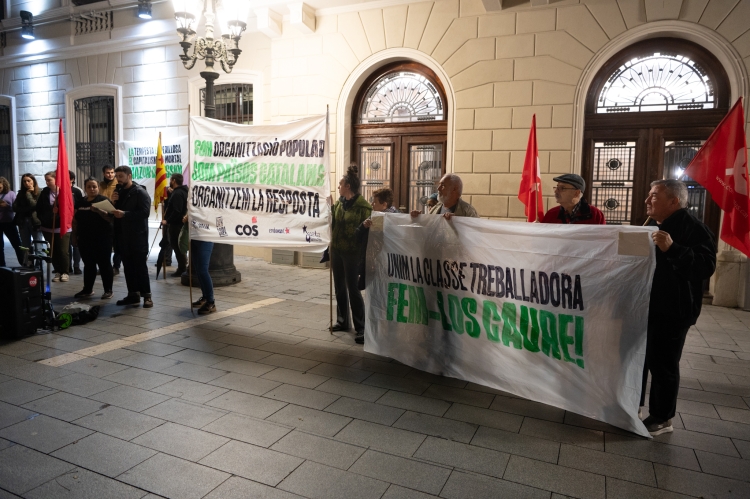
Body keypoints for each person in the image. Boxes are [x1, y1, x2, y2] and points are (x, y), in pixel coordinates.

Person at [640, 179, 716, 436]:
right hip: (644, 306)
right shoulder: (650, 225)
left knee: (663, 364)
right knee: (639, 359)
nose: (648, 200)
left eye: (654, 196)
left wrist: (673, 249)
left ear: (674, 201)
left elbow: (705, 267)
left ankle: (662, 417)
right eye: (649, 195)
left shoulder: (694, 228)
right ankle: (632, 404)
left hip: (673, 309)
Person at [331, 164, 372, 344]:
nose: (338, 187)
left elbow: (367, 234)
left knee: (353, 289)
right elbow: (331, 222)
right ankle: (342, 321)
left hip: (353, 253)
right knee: (339, 287)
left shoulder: (364, 208)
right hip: (337, 250)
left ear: (348, 186)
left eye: (340, 184)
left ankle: (361, 327)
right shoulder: (339, 203)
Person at [111, 165, 153, 308]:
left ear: (129, 176)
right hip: (123, 236)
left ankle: (147, 296)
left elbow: (145, 213)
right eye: (117, 177)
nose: (118, 179)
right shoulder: (119, 192)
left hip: (137, 237)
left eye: (121, 176)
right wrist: (113, 202)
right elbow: (115, 213)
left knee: (140, 267)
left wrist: (125, 214)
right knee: (128, 267)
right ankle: (133, 294)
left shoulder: (140, 192)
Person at [73, 177, 114, 299]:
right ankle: (87, 289)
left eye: (94, 186)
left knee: (104, 264)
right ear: (85, 188)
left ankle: (108, 290)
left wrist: (99, 211)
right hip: (85, 239)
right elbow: (75, 220)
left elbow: (111, 219)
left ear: (98, 187)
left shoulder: (104, 201)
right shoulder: (80, 201)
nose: (92, 189)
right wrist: (74, 236)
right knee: (88, 264)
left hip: (102, 239)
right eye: (89, 187)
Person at [36, 171, 71, 282]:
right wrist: (48, 215)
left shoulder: (64, 191)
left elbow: (69, 207)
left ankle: (65, 272)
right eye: (46, 180)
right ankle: (57, 271)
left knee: (62, 250)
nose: (47, 182)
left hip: (61, 226)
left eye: (49, 180)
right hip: (47, 226)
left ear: (56, 180)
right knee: (52, 251)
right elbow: (39, 208)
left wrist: (59, 212)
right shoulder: (45, 192)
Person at [541, 173, 605, 224]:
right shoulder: (551, 214)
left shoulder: (595, 215)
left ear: (577, 193)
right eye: (557, 187)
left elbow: (602, 239)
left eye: (562, 188)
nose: (556, 191)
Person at [410, 174, 478, 219]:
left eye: (442, 186)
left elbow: (475, 234)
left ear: (454, 189)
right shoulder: (435, 208)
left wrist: (457, 222)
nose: (438, 188)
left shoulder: (468, 211)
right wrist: (417, 218)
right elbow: (427, 229)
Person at [162, 173, 188, 277]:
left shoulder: (177, 194)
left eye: (170, 180)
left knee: (177, 247)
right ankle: (183, 267)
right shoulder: (184, 191)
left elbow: (176, 211)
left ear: (173, 181)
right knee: (180, 247)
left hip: (176, 225)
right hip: (181, 224)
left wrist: (167, 220)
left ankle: (182, 269)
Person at [13, 173, 42, 253]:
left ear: (33, 181)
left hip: (35, 222)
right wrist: (27, 208)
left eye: (29, 181)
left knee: (38, 244)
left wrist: (28, 194)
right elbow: (14, 207)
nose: (26, 183)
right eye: (24, 181)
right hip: (22, 221)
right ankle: (28, 262)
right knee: (25, 245)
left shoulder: (40, 192)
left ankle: (38, 264)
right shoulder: (21, 193)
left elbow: (34, 205)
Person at [100, 164, 120, 275]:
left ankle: (116, 266)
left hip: (115, 217)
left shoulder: (118, 185)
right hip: (102, 217)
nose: (110, 175)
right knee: (104, 244)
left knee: (116, 244)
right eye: (108, 173)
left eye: (112, 172)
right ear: (103, 173)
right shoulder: (99, 185)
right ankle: (105, 266)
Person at [0, 177, 24, 267]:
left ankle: (23, 263)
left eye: (0, 187)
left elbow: (16, 208)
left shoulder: (11, 194)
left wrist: (7, 206)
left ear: (4, 185)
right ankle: (2, 266)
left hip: (9, 222)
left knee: (17, 244)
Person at [69, 170, 84, 275]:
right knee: (66, 246)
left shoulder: (77, 191)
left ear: (72, 179)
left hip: (76, 221)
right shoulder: (59, 190)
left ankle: (76, 266)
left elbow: (81, 204)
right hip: (64, 222)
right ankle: (67, 266)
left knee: (76, 245)